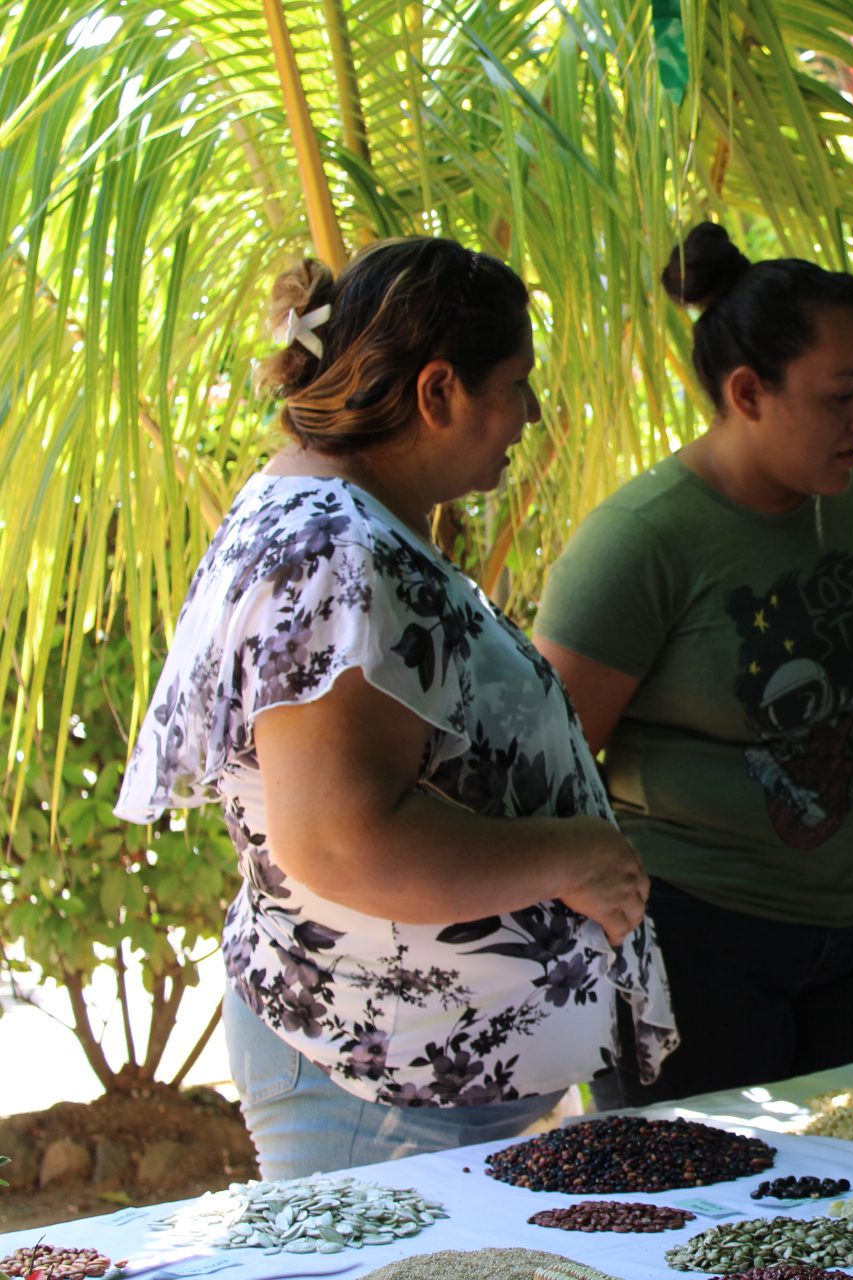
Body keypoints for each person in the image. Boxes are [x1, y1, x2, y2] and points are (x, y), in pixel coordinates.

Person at [114, 238, 676, 1179]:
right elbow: (341, 840)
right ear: (440, 391)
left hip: (404, 1076)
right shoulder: (334, 550)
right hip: (375, 1093)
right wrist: (572, 856)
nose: (530, 415)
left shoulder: (328, 516)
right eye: (519, 383)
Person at [534, 222, 853, 1105]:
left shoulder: (851, 496)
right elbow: (549, 771)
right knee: (704, 1215)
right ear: (748, 392)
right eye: (842, 395)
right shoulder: (645, 542)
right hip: (699, 940)